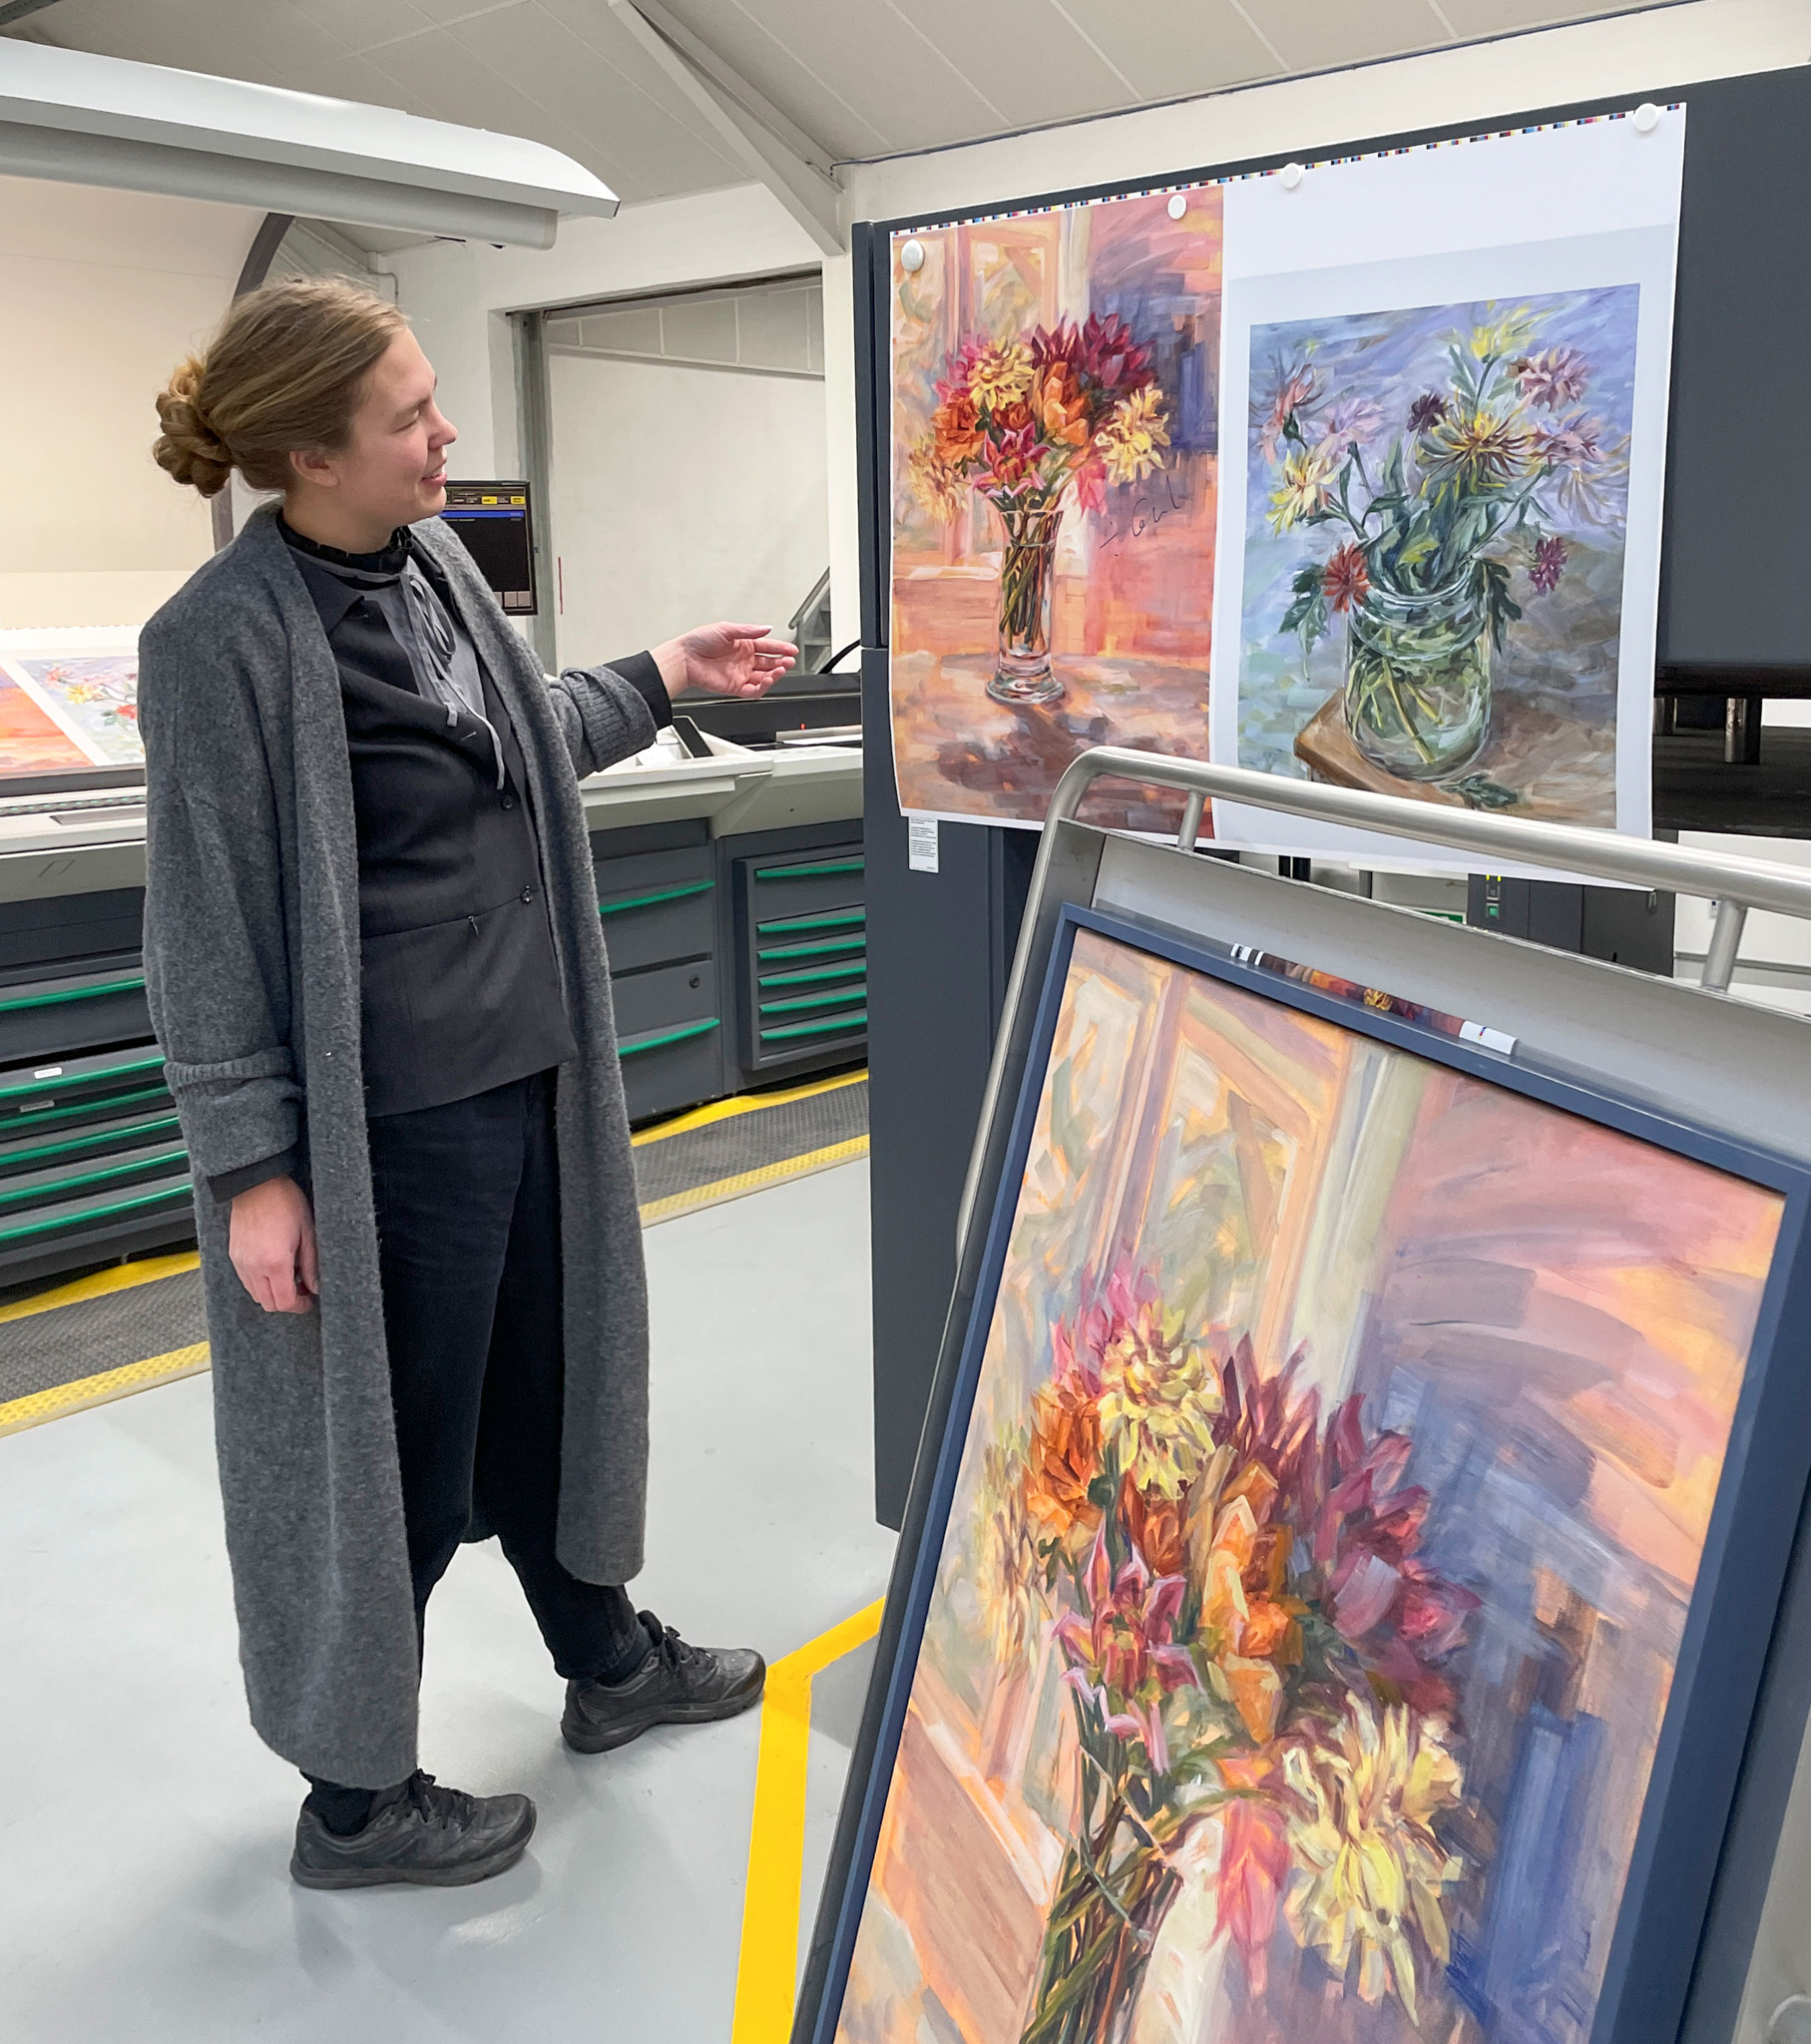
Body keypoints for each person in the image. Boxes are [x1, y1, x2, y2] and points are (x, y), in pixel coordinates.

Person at [143, 277, 793, 1890]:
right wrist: (253, 1170)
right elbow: (203, 924)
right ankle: (354, 1802)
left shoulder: (428, 565)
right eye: (412, 416)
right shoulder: (218, 642)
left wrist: (664, 670)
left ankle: (608, 1662)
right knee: (403, 1465)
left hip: (530, 1081)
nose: (448, 436)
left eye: (436, 398)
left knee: (544, 1397)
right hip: (394, 1129)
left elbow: (516, 731)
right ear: (311, 455)